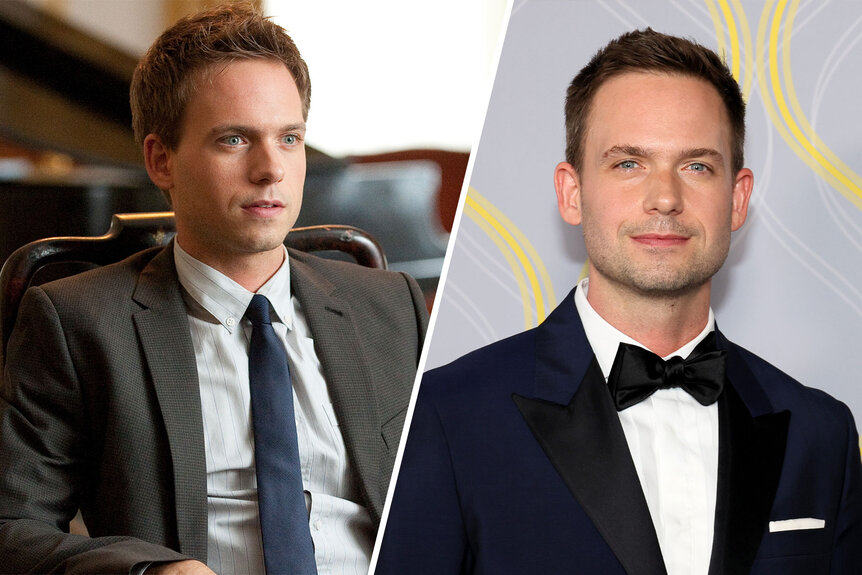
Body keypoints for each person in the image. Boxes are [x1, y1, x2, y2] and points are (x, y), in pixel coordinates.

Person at [376, 29, 861, 574]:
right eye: (629, 164)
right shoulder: (447, 414)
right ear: (572, 193)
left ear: (738, 198)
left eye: (697, 166)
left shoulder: (820, 431)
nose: (665, 199)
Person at [0, 4, 427, 575]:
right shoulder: (78, 321)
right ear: (161, 160)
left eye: (290, 138)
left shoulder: (390, 305)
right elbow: (11, 526)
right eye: (233, 139)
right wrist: (148, 571)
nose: (271, 169)